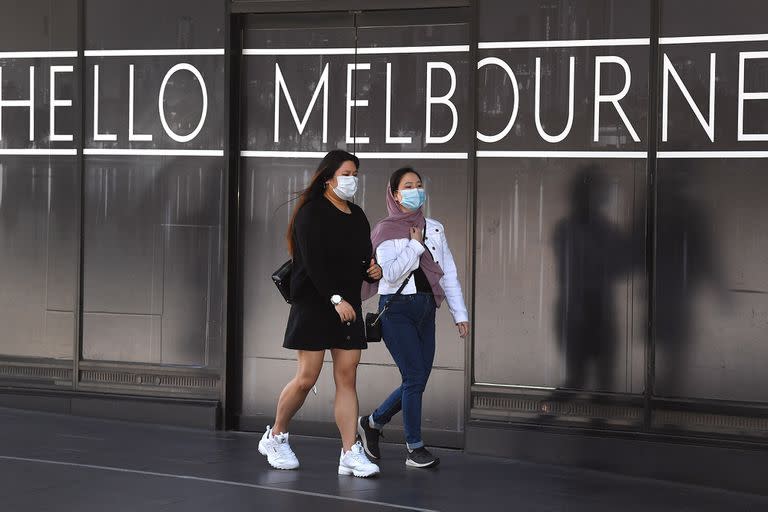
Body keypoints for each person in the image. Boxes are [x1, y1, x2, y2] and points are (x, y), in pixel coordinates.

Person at [258, 150, 382, 478]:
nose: (352, 180)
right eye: (346, 173)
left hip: (347, 307)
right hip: (316, 304)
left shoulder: (357, 215)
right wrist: (335, 298)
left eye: (355, 173)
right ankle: (275, 436)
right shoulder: (310, 214)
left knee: (347, 377)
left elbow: (361, 258)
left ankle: (349, 452)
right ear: (328, 177)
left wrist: (372, 270)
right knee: (306, 377)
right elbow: (312, 265)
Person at [358, 167, 469, 468]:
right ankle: (414, 447)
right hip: (397, 311)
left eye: (419, 185)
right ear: (394, 194)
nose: (415, 190)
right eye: (408, 186)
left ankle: (372, 422)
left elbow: (448, 274)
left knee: (416, 379)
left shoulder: (434, 227)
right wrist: (414, 244)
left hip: (426, 311)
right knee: (415, 377)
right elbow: (390, 275)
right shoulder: (383, 231)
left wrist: (460, 314)